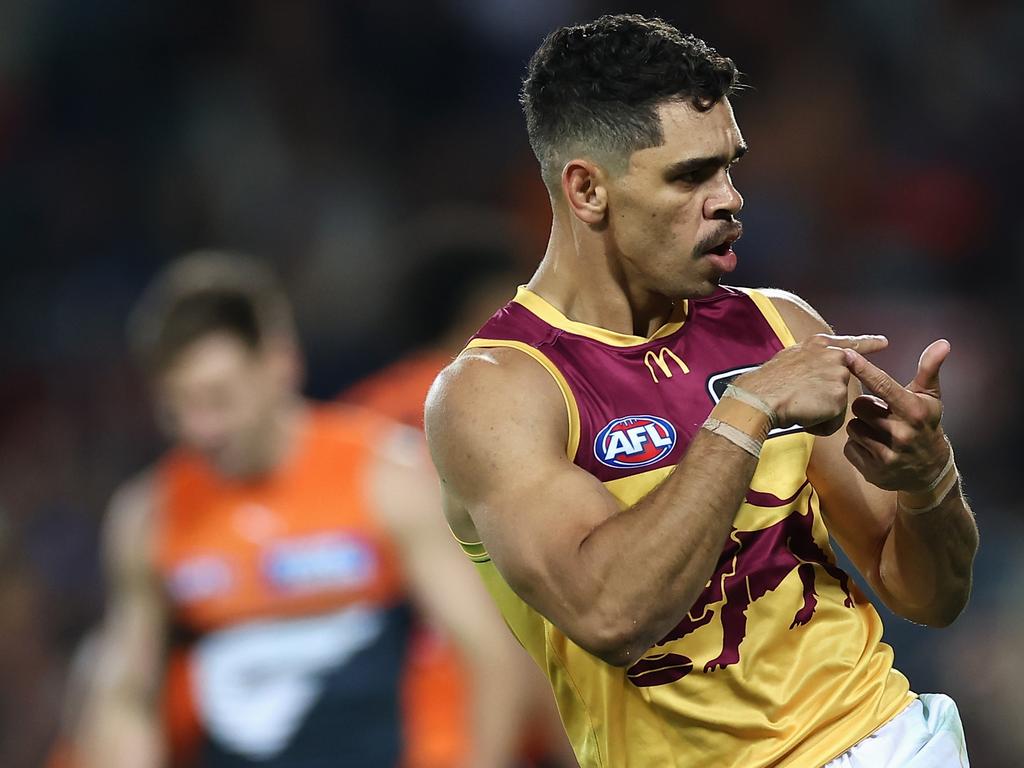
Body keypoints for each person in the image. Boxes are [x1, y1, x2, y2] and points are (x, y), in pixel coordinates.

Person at [424, 14, 978, 768]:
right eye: (689, 176)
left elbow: (929, 597)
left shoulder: (779, 325)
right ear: (587, 190)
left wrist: (928, 483)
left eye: (729, 167)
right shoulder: (499, 394)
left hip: (876, 741)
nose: (729, 200)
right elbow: (612, 613)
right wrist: (746, 411)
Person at [75, 251, 536, 768]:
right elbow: (126, 691)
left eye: (218, 398)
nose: (200, 429)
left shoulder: (385, 479)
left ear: (278, 363)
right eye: (177, 407)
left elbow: (491, 653)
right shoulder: (150, 516)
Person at [342, 210, 578, 768]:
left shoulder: (353, 425)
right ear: (484, 307)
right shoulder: (513, 404)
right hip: (508, 705)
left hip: (394, 722)